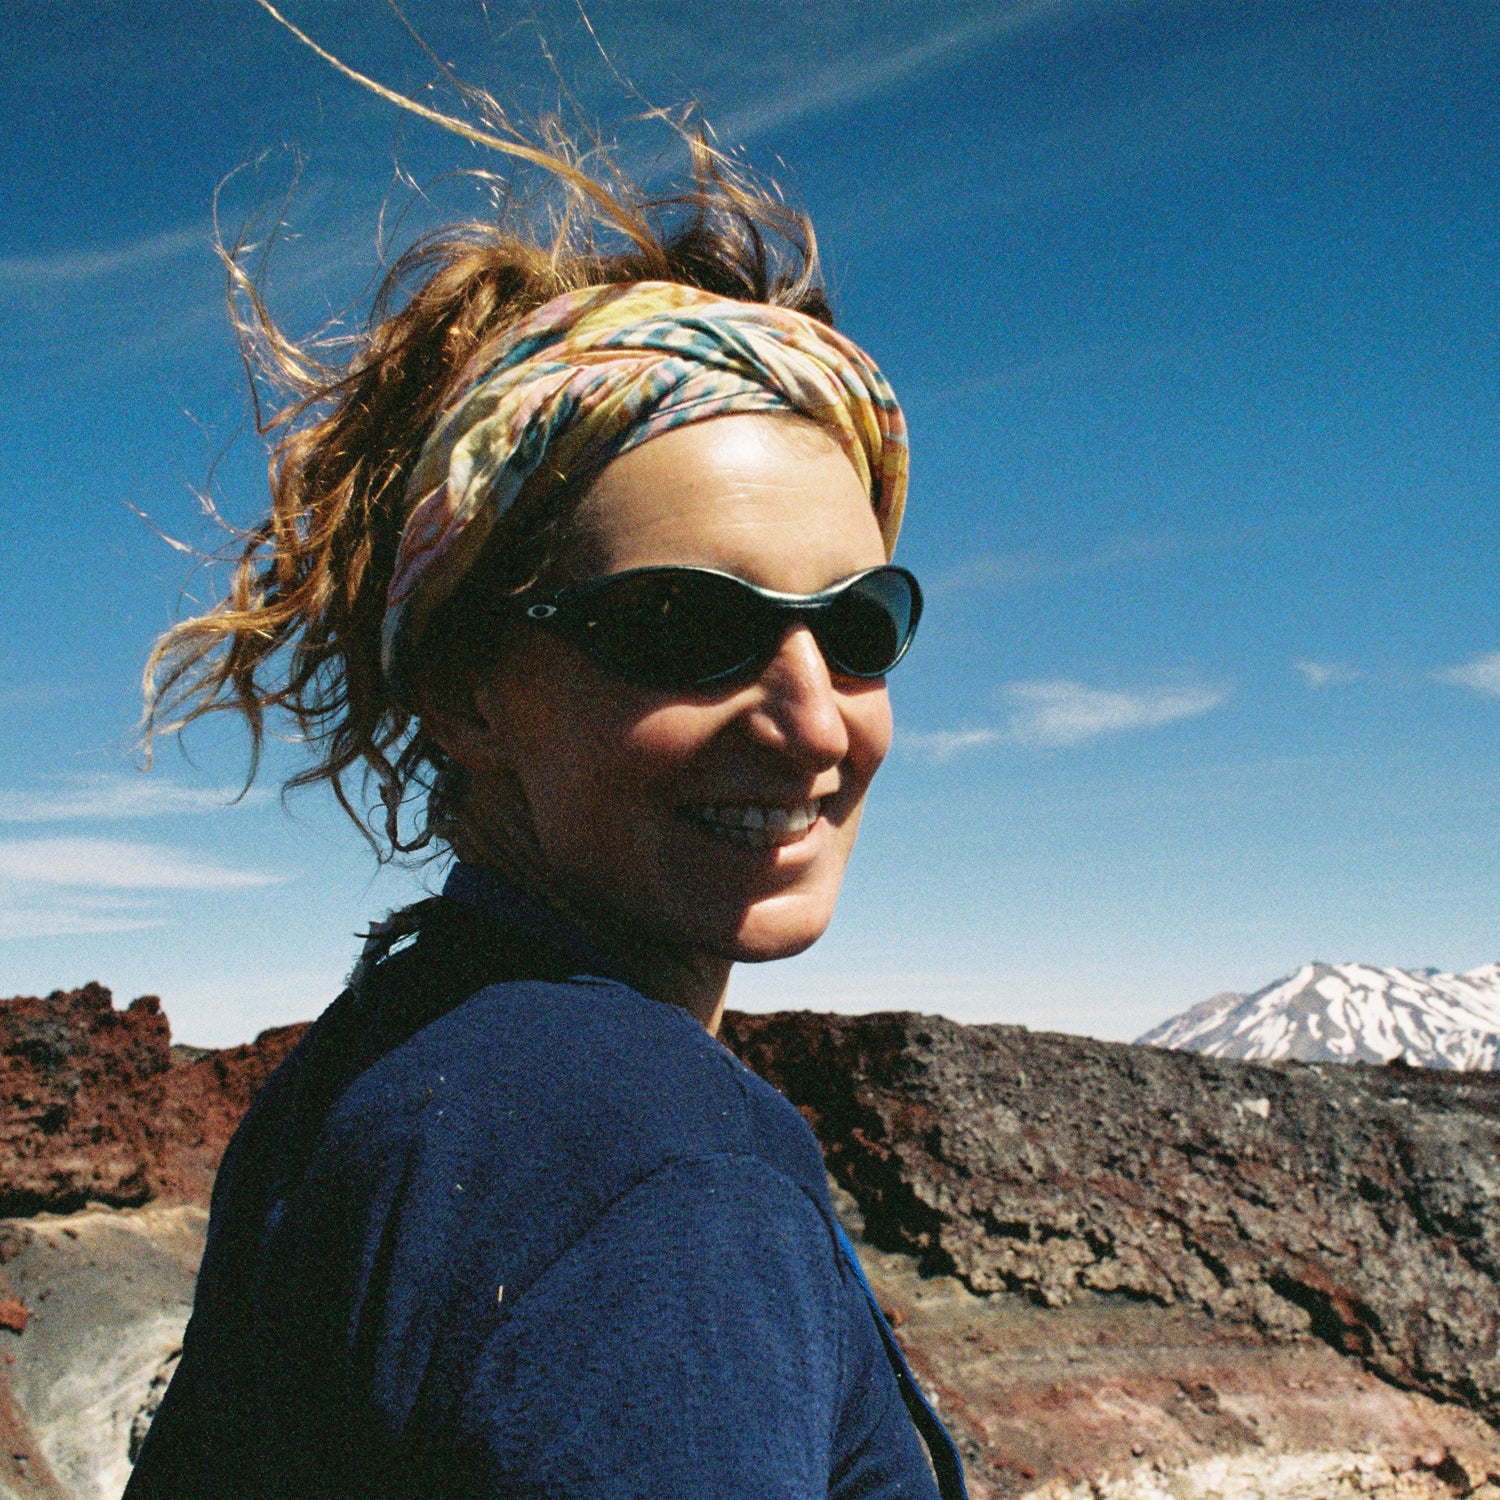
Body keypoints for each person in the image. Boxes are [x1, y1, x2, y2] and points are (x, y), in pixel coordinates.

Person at [125, 86, 966, 1500]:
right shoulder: (655, 1169)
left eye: (859, 621)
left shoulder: (392, 1061)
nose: (817, 717)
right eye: (686, 628)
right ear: (465, 689)